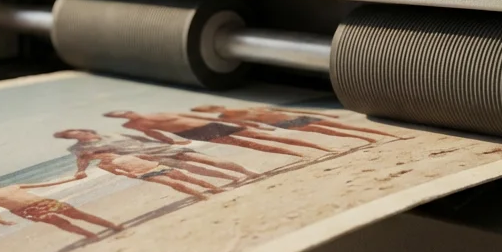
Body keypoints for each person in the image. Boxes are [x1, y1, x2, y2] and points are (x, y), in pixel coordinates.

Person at [53, 129, 260, 182]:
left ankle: (247, 172)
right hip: (144, 159)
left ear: (82, 130)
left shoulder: (111, 134)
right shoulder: (79, 148)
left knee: (203, 159)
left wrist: (172, 141)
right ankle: (232, 178)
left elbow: (140, 137)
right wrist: (79, 172)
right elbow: (82, 160)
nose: (76, 136)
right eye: (70, 136)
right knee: (192, 168)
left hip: (158, 149)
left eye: (75, 132)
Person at [22, 143, 220, 199]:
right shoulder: (102, 164)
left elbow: (142, 153)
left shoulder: (116, 151)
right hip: (142, 173)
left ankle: (213, 188)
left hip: (155, 166)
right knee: (175, 184)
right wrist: (130, 174)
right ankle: (200, 195)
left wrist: (154, 158)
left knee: (185, 177)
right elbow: (119, 172)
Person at [103, 110, 333, 156]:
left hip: (209, 125)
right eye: (118, 115)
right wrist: (172, 144)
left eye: (123, 111)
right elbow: (155, 134)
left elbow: (194, 115)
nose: (124, 114)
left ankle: (319, 148)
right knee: (252, 145)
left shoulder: (156, 112)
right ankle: (298, 155)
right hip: (194, 132)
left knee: (262, 137)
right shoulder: (132, 126)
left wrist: (236, 121)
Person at [0, 178, 121, 241]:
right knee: (60, 222)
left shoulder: (13, 186)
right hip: (26, 210)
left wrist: (73, 179)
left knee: (78, 214)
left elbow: (45, 184)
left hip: (43, 202)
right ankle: (90, 235)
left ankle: (112, 225)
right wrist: (1, 220)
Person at [189, 105, 398, 143]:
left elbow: (274, 109)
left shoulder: (247, 107)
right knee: (333, 133)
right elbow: (253, 125)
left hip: (288, 118)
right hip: (285, 123)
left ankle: (382, 136)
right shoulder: (225, 118)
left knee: (342, 128)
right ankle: (366, 139)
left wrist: (317, 112)